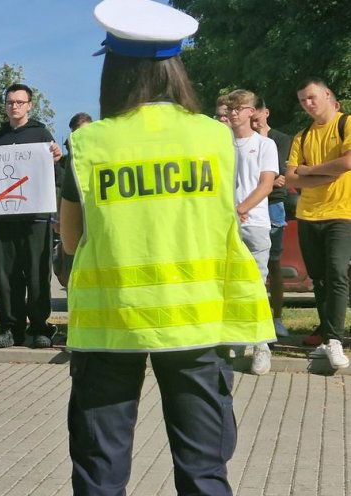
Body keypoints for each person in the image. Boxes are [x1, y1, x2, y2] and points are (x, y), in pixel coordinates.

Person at [60, 1, 275, 493]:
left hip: (112, 325)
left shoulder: (90, 143)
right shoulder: (214, 137)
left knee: (100, 471)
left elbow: (71, 238)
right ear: (176, 68)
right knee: (204, 471)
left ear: (113, 68)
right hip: (197, 323)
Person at [0, 83, 62, 348]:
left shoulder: (41, 135)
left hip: (35, 220)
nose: (14, 106)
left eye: (19, 102)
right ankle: (10, 328)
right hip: (4, 220)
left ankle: (40, 327)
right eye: (9, 102)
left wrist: (58, 157)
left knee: (38, 275)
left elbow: (57, 176)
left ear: (29, 105)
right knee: (6, 277)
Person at [285, 78, 351, 369]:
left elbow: (348, 163)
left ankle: (336, 340)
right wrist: (325, 173)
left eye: (311, 97)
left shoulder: (345, 123)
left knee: (337, 272)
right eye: (302, 100)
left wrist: (310, 171)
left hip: (341, 213)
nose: (307, 104)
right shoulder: (301, 136)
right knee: (319, 279)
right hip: (308, 214)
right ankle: (326, 337)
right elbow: (291, 178)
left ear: (327, 95)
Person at [224, 88, 278, 375]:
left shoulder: (264, 145)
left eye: (240, 108)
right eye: (231, 108)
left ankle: (262, 346)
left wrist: (241, 208)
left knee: (256, 285)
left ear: (252, 112)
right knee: (230, 284)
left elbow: (266, 184)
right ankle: (235, 339)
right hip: (226, 224)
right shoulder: (222, 143)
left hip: (254, 221)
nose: (234, 112)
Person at [251, 97, 293, 338]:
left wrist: (268, 179)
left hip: (272, 204)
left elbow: (279, 175)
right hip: (251, 203)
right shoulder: (244, 139)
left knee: (273, 263)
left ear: (266, 113)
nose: (255, 124)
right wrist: (267, 178)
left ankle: (277, 318)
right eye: (252, 120)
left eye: (258, 119)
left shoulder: (280, 139)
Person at [54, 113, 93, 289]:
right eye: (75, 134)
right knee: (70, 276)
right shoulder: (66, 162)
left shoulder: (103, 157)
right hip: (73, 232)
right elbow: (61, 194)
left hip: (95, 232)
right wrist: (59, 220)